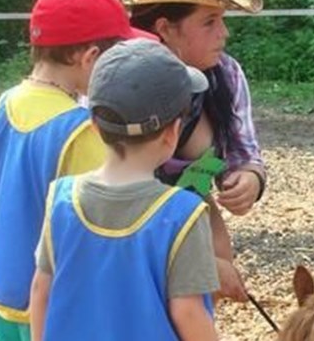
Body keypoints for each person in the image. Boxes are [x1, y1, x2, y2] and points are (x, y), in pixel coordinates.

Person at [0, 0, 153, 340]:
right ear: (91, 58)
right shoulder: (80, 131)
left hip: (3, 287)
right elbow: (103, 228)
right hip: (55, 304)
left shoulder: (8, 102)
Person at [29, 38, 219, 341]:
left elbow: (41, 290)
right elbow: (188, 312)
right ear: (172, 133)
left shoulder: (61, 199)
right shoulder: (182, 214)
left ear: (94, 125)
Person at [126, 0, 267, 302]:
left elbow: (244, 152)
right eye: (209, 22)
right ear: (166, 28)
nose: (224, 33)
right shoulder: (124, 83)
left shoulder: (226, 76)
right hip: (128, 230)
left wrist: (250, 178)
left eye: (222, 21)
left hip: (197, 220)